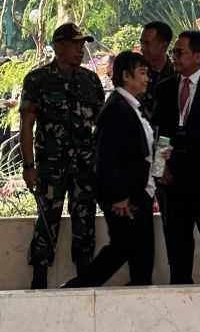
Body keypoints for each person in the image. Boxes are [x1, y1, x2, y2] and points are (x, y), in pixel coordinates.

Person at [19, 23, 105, 289]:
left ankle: (85, 281)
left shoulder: (90, 81)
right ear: (58, 46)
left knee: (85, 223)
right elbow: (26, 126)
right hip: (50, 168)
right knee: (46, 224)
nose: (80, 50)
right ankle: (39, 281)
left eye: (82, 44)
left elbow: (101, 127)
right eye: (75, 44)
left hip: (84, 168)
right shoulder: (38, 80)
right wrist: (29, 166)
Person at [62, 52, 156, 287]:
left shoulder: (131, 106)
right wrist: (119, 196)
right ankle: (78, 287)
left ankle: (137, 294)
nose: (147, 79)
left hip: (137, 193)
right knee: (125, 247)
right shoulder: (117, 108)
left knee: (140, 252)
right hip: (125, 197)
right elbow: (107, 158)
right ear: (126, 76)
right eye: (142, 73)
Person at [152, 30, 200, 284]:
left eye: (179, 52)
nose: (173, 57)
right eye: (173, 52)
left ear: (198, 56)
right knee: (177, 248)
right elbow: (159, 134)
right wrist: (159, 168)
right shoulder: (164, 89)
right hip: (173, 182)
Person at [140, 21, 174, 118]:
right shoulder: (136, 73)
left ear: (164, 46)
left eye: (147, 43)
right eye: (141, 42)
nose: (142, 48)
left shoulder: (177, 75)